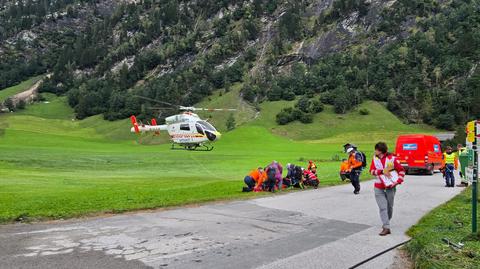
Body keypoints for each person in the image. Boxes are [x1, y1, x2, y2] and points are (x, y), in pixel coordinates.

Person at [369, 142, 405, 236]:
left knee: (389, 207)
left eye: (376, 149)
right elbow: (371, 171)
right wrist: (382, 171)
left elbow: (401, 170)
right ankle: (386, 227)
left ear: (380, 151)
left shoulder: (392, 158)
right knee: (383, 207)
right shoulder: (375, 159)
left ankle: (386, 221)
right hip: (378, 186)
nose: (375, 151)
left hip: (390, 187)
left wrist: (398, 181)